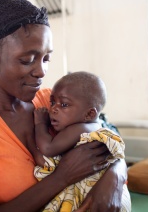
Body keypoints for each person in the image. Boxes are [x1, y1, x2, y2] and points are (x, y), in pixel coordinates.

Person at [0, 0, 128, 211]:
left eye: (46, 58)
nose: (41, 71)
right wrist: (61, 178)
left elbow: (107, 137)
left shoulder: (53, 101)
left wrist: (115, 178)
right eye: (27, 60)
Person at [32, 71, 131, 212]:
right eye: (52, 102)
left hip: (97, 197)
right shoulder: (95, 126)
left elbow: (47, 148)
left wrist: (40, 124)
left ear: (89, 114)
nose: (53, 109)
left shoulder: (79, 128)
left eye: (64, 105)